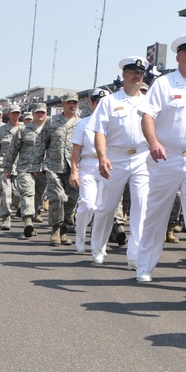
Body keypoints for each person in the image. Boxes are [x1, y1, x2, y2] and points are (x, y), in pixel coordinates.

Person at [135, 35, 186, 285]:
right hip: (166, 156)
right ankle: (144, 266)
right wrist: (153, 143)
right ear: (178, 57)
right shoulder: (164, 84)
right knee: (157, 213)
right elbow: (147, 116)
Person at [89, 56, 151, 268]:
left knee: (141, 206)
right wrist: (102, 156)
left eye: (140, 73)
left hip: (142, 156)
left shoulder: (149, 101)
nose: (137, 75)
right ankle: (98, 247)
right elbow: (99, 131)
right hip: (115, 156)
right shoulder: (109, 102)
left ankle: (135, 255)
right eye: (133, 71)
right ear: (123, 74)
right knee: (106, 207)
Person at [69, 88, 109, 253]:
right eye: (97, 102)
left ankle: (99, 244)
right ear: (91, 103)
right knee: (88, 204)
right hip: (88, 165)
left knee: (104, 208)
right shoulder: (84, 123)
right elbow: (76, 151)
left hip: (108, 166)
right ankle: (80, 237)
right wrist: (74, 171)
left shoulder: (113, 123)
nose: (100, 105)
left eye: (103, 103)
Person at [3, 103, 49, 238]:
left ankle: (33, 215)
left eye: (42, 113)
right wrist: (7, 167)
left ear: (46, 114)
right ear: (33, 114)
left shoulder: (50, 130)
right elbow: (13, 149)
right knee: (27, 193)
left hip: (43, 169)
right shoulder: (24, 130)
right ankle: (28, 221)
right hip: (25, 168)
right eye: (37, 112)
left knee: (39, 196)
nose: (40, 115)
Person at [42, 93, 80, 247]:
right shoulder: (51, 122)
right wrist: (37, 165)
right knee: (58, 197)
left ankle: (64, 229)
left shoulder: (81, 124)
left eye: (75, 103)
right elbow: (42, 143)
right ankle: (55, 230)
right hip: (53, 166)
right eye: (69, 102)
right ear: (63, 104)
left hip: (74, 168)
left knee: (71, 200)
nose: (72, 105)